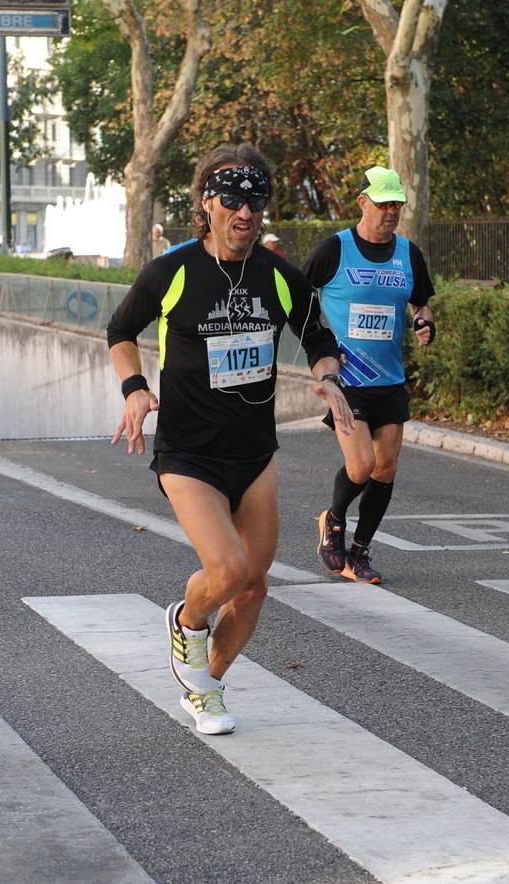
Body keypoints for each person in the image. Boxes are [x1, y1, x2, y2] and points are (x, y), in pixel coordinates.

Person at [107, 144, 353, 735]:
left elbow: (317, 336)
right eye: (233, 199)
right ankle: (187, 621)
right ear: (207, 205)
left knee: (254, 586)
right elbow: (120, 329)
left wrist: (325, 375)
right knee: (226, 570)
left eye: (257, 199)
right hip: (189, 453)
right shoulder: (172, 270)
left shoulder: (277, 276)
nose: (246, 211)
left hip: (254, 454)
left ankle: (206, 687)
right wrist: (135, 387)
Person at [304, 166, 435, 585]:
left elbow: (422, 303)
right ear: (363, 203)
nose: (391, 212)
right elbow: (297, 296)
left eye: (396, 204)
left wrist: (424, 322)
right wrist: (320, 343)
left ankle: (360, 554)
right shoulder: (336, 249)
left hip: (390, 380)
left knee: (386, 469)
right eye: (383, 204)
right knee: (361, 466)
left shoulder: (408, 254)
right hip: (348, 382)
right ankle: (334, 521)